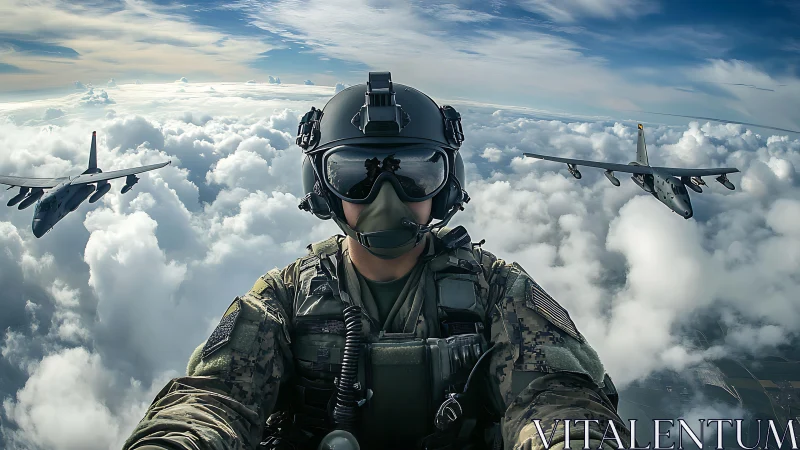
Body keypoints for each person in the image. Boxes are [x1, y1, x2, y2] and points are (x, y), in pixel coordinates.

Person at [123, 72, 631, 450]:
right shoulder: (281, 300)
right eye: (356, 175)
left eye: (414, 172)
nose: (385, 197)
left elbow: (558, 398)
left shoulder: (499, 292)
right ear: (323, 190)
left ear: (446, 185)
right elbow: (213, 399)